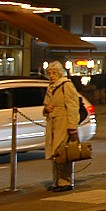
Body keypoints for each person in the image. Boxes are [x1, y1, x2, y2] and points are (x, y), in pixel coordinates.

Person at [43, 61, 81, 191]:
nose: (51, 75)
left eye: (54, 73)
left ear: (59, 73)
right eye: (49, 73)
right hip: (53, 123)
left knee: (62, 152)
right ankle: (57, 181)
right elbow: (46, 105)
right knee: (55, 152)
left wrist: (72, 126)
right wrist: (47, 109)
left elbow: (73, 106)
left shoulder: (66, 85)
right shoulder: (52, 86)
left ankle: (65, 181)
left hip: (63, 123)